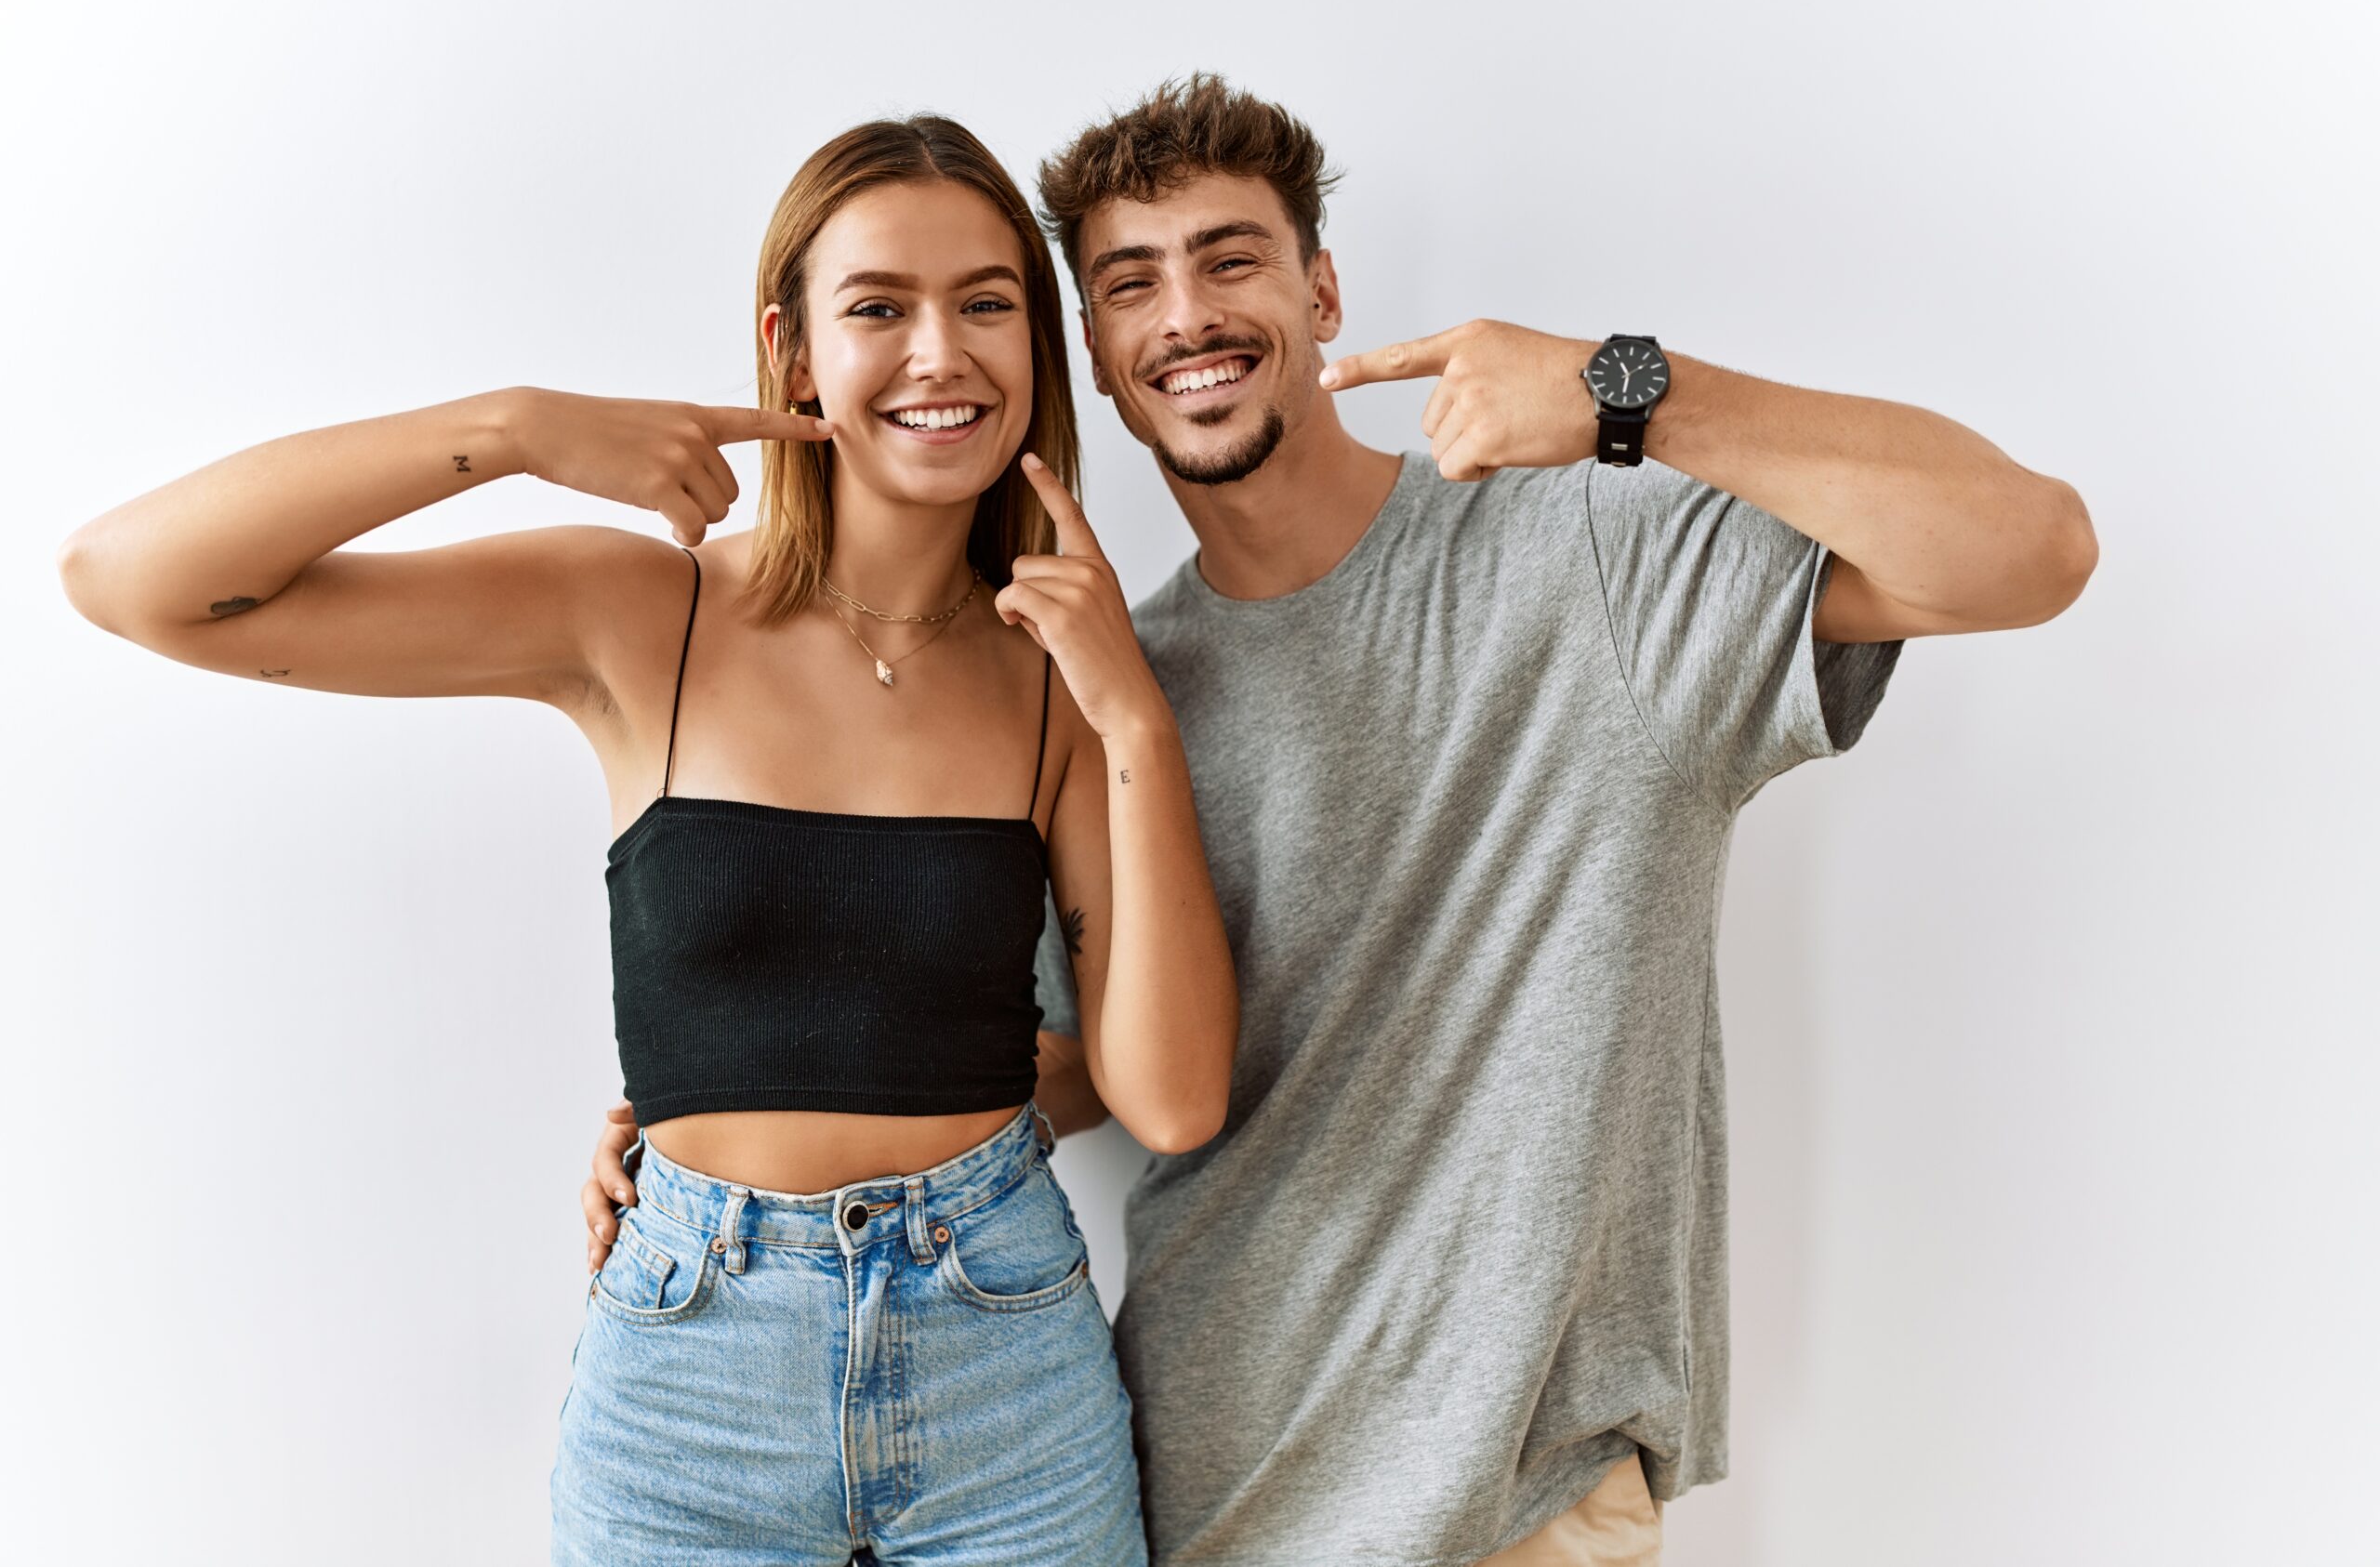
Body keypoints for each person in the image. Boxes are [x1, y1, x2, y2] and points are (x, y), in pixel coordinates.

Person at [582, 76, 2100, 1566]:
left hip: (1521, 1493)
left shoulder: (1591, 562)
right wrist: (727, 1143)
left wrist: (1625, 391)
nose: (1186, 315)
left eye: (1231, 259)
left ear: (1321, 293)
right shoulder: (1097, 678)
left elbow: (2029, 551)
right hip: (1192, 1478)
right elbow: (1078, 1069)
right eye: (1128, 286)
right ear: (1094, 363)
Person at [58, 114, 1237, 1565]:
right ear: (793, 350)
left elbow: (1167, 1099)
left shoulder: (1065, 670)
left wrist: (1137, 724)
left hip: (1005, 1366)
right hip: (691, 1384)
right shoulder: (644, 618)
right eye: (879, 307)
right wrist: (519, 429)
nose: (942, 354)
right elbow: (135, 583)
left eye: (986, 303)